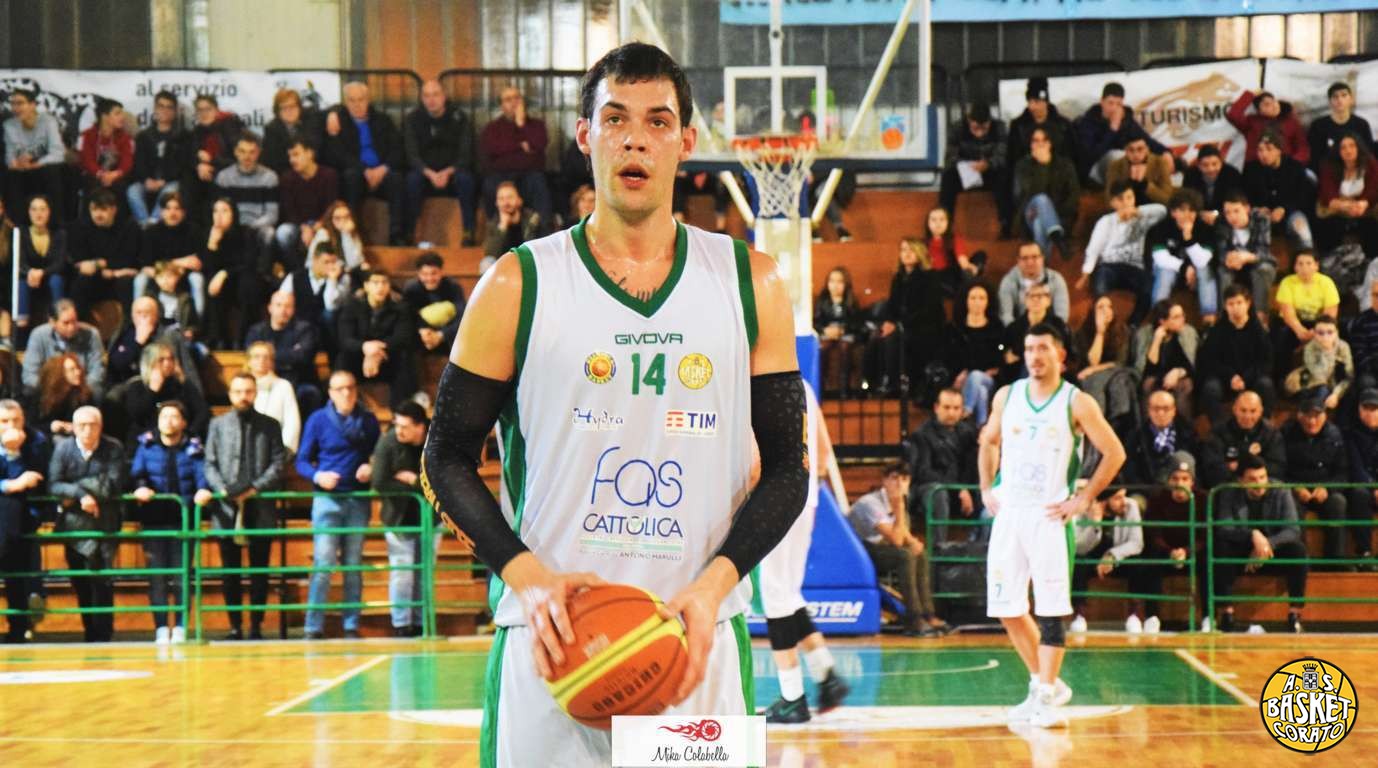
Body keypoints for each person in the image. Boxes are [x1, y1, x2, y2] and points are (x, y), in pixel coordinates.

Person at [420, 43, 808, 767]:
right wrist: (527, 579)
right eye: (616, 119)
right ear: (584, 134)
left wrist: (713, 588)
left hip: (695, 645)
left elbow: (789, 468)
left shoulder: (752, 283)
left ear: (685, 142)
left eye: (658, 121)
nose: (635, 139)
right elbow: (443, 458)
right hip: (554, 646)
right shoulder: (517, 284)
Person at [979, 322, 1126, 728]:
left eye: (1042, 348)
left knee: (1050, 610)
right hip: (1010, 513)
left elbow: (1114, 452)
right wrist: (986, 488)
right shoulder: (1007, 396)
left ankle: (1045, 695)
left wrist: (1084, 498)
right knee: (1007, 607)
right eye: (1029, 349)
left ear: (1060, 355)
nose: (1034, 356)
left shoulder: (1077, 402)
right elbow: (988, 440)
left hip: (1049, 516)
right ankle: (1046, 684)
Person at [755, 381, 850, 723]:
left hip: (777, 497)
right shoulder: (804, 386)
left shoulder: (759, 384)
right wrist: (808, 490)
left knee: (774, 596)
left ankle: (792, 697)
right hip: (805, 498)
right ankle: (827, 676)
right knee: (787, 592)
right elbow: (823, 449)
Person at [198, 371, 285, 640]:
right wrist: (223, 490)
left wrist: (255, 488)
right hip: (226, 506)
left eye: (248, 391)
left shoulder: (270, 425)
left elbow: (278, 463)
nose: (243, 397)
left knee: (259, 570)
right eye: (238, 392)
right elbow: (209, 463)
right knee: (230, 571)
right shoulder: (217, 424)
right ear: (230, 394)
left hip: (260, 504)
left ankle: (257, 625)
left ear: (255, 393)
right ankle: (235, 625)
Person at [298, 370, 379, 639]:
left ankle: (351, 625)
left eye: (350, 388)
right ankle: (313, 627)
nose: (346, 393)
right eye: (340, 389)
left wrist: (371, 467)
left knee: (353, 565)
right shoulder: (318, 420)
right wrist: (318, 476)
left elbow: (378, 453)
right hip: (327, 499)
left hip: (358, 499)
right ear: (330, 393)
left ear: (356, 390)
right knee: (323, 563)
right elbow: (301, 461)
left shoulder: (368, 420)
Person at [128, 400, 206, 644]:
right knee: (158, 577)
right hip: (154, 521)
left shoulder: (194, 447)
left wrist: (203, 489)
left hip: (184, 522)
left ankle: (181, 627)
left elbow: (201, 476)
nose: (169, 422)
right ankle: (161, 627)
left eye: (174, 417)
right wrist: (140, 488)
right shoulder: (146, 445)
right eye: (164, 417)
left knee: (183, 577)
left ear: (183, 422)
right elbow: (137, 475)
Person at [48, 406, 126, 642]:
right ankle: (89, 632)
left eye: (93, 425)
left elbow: (112, 483)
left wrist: (73, 490)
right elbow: (53, 485)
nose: (87, 430)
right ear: (73, 427)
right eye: (82, 425)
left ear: (100, 427)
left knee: (102, 581)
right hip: (73, 527)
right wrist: (81, 494)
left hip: (105, 524)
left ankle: (104, 634)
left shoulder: (114, 448)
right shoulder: (63, 449)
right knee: (80, 581)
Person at [1209, 454, 1307, 633]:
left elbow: (1292, 529)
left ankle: (1295, 614)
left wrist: (1265, 544)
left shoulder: (1280, 490)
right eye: (1252, 479)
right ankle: (1226, 614)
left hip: (1272, 551)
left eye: (1263, 477)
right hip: (1242, 550)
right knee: (1220, 547)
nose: (1259, 483)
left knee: (1298, 550)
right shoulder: (1228, 492)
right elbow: (1224, 528)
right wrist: (1252, 535)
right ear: (1241, 481)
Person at [848, 461, 945, 636]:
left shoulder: (898, 502)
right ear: (884, 481)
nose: (899, 483)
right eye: (894, 478)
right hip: (857, 554)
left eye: (904, 479)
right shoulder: (870, 503)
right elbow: (897, 540)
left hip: (878, 548)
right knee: (904, 556)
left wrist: (914, 542)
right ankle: (913, 619)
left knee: (920, 554)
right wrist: (899, 508)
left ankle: (928, 615)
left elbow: (904, 535)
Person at [371, 400, 439, 638]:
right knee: (402, 573)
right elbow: (379, 482)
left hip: (430, 519)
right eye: (396, 425)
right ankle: (401, 624)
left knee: (425, 573)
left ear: (420, 427)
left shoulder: (435, 441)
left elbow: (441, 480)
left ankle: (421, 623)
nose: (398, 430)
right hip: (398, 519)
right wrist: (418, 487)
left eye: (404, 427)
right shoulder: (388, 442)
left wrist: (413, 481)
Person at [324, 82, 408, 245]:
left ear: (368, 100)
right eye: (352, 100)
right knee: (350, 177)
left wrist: (383, 169)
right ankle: (352, 233)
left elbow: (397, 149)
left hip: (382, 172)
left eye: (361, 99)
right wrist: (364, 170)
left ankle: (396, 234)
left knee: (397, 179)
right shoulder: (339, 121)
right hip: (357, 173)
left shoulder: (383, 120)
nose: (357, 104)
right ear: (345, 102)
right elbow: (339, 154)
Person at [1078, 180, 1166, 326]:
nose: (1126, 202)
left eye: (1129, 197)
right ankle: (1103, 323)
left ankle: (1132, 326)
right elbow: (1094, 249)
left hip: (1134, 267)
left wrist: (1138, 211)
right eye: (1120, 199)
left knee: (1149, 286)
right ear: (1113, 203)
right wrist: (1086, 273)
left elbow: (1162, 211)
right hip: (1109, 266)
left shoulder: (1143, 218)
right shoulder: (1106, 221)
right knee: (1100, 283)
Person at [1283, 391, 1352, 568]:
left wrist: (1328, 488)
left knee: (1338, 502)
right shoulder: (1286, 433)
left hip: (1324, 491)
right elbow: (1279, 471)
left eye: (1317, 416)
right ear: (1299, 415)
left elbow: (1343, 473)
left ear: (1325, 415)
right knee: (1289, 505)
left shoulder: (1335, 434)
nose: (1312, 421)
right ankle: (1300, 561)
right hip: (1296, 491)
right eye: (1307, 416)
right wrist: (1295, 488)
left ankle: (1334, 561)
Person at [405, 79, 478, 244]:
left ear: (444, 96)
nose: (431, 100)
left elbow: (466, 154)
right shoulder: (413, 119)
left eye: (435, 95)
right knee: (411, 180)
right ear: (421, 98)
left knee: (466, 180)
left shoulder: (459, 118)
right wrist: (430, 173)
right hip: (425, 173)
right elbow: (411, 154)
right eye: (426, 95)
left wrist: (448, 172)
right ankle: (410, 232)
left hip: (453, 172)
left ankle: (468, 232)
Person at [0, 399, 49, 644]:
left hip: (21, 522)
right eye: (4, 421)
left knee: (17, 576)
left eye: (16, 420)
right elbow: (18, 483)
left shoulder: (36, 441)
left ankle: (19, 628)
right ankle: (35, 591)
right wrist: (10, 484)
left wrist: (15, 455)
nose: (11, 426)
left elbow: (38, 479)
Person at [905, 388, 980, 544]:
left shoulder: (968, 433)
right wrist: (958, 488)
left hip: (961, 491)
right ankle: (938, 547)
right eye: (946, 407)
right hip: (929, 488)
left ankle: (981, 545)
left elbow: (972, 467)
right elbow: (923, 472)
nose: (951, 413)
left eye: (956, 408)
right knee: (937, 492)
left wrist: (965, 488)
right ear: (936, 408)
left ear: (962, 410)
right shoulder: (922, 434)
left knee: (985, 491)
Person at [873, 238, 946, 400]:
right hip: (903, 324)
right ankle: (874, 382)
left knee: (894, 337)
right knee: (876, 335)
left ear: (919, 254)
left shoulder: (930, 277)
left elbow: (928, 310)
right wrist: (889, 322)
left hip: (924, 326)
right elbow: (892, 305)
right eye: (903, 250)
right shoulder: (898, 278)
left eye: (911, 250)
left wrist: (899, 324)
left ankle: (894, 384)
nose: (906, 253)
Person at [1067, 488, 1145, 634]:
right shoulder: (1084, 508)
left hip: (1117, 559)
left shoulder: (1130, 506)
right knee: (1079, 562)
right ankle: (1079, 615)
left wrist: (1112, 556)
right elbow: (1079, 548)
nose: (1123, 502)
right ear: (1103, 501)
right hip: (1091, 559)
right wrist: (1095, 523)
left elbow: (1137, 543)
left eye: (1123, 496)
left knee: (1137, 562)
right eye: (1117, 498)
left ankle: (1134, 616)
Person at [1141, 455, 1204, 631]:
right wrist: (1170, 552)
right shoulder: (1157, 499)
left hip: (1193, 552)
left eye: (1185, 479)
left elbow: (1204, 536)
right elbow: (1153, 534)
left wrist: (1186, 551)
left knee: (1209, 560)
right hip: (1165, 552)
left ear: (1192, 481)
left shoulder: (1203, 499)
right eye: (1175, 478)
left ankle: (1209, 617)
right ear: (1168, 480)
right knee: (1150, 560)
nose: (1179, 483)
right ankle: (1152, 617)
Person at [337, 271, 418, 407]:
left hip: (387, 358)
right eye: (375, 283)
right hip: (359, 359)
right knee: (343, 358)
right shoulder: (352, 306)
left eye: (384, 283)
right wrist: (365, 347)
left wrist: (376, 352)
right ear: (366, 286)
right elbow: (345, 339)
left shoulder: (400, 307)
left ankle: (400, 409)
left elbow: (403, 337)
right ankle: (345, 406)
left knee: (405, 357)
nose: (380, 287)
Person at [1198, 284, 1276, 425]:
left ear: (1248, 303)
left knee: (1266, 385)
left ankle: (1263, 428)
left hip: (1251, 378)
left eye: (1239, 303)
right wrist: (1231, 377)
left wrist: (1245, 378)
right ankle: (1220, 429)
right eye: (1231, 304)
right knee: (1210, 388)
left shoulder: (1258, 331)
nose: (1235, 307)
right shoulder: (1217, 331)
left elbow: (1266, 362)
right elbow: (1210, 361)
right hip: (1225, 379)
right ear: (1225, 306)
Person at [201, 197, 269, 349]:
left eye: (224, 211)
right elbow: (207, 267)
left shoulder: (246, 233)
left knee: (248, 283)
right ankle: (218, 339)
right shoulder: (209, 235)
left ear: (234, 214)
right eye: (215, 211)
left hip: (244, 280)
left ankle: (244, 339)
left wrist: (224, 273)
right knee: (210, 282)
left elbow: (249, 263)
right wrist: (212, 245)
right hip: (223, 285)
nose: (219, 216)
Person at [479, 85, 553, 223]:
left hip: (529, 174)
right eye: (508, 99)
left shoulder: (537, 125)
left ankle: (544, 229)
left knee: (539, 182)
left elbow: (539, 146)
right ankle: (496, 229)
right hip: (501, 174)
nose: (514, 102)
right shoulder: (492, 128)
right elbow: (493, 149)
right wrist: (521, 145)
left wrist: (521, 125)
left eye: (517, 98)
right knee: (489, 184)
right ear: (501, 106)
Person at [111, 341, 209, 446]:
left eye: (170, 359)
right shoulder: (137, 385)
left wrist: (188, 433)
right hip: (146, 442)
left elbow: (202, 412)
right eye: (161, 360)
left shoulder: (182, 384)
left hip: (180, 440)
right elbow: (136, 416)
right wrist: (152, 391)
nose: (167, 363)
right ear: (149, 362)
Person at [244, 290, 323, 414]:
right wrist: (289, 355)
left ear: (293, 309)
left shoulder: (305, 329)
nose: (283, 310)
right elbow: (251, 356)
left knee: (310, 393)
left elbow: (303, 357)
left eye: (288, 306)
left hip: (297, 381)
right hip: (264, 380)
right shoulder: (257, 331)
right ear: (270, 308)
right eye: (279, 305)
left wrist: (269, 357)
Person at [1073, 81, 1168, 184]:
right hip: (1094, 169)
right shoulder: (1089, 122)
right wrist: (1112, 130)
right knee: (1119, 156)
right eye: (1110, 103)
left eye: (1118, 104)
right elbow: (1089, 156)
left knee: (1151, 159)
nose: (1114, 108)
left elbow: (1146, 140)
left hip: (1123, 169)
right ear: (1102, 102)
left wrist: (1165, 152)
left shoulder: (1126, 120)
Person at [65, 189, 141, 317]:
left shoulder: (129, 227)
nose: (98, 214)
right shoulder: (81, 227)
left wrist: (101, 265)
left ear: (114, 210)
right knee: (81, 282)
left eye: (103, 209)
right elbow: (81, 262)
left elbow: (128, 259)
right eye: (94, 209)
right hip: (96, 277)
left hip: (119, 278)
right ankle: (79, 323)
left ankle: (129, 325)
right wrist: (102, 266)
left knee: (126, 282)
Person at [1147, 188, 1216, 324]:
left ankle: (1209, 321)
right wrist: (1185, 268)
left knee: (1205, 270)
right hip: (1171, 271)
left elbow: (1203, 261)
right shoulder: (1160, 228)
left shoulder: (1206, 230)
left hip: (1196, 275)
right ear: (1173, 212)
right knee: (1165, 271)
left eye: (1192, 211)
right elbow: (1160, 258)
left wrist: (1188, 239)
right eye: (1183, 210)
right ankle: (1158, 319)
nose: (1188, 215)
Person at [1272, 250, 1339, 384]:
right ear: (1295, 267)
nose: (1304, 268)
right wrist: (1300, 331)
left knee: (1333, 332)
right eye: (1300, 264)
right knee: (1281, 334)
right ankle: (1281, 379)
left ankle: (1331, 379)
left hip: (1319, 323)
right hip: (1293, 324)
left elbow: (1330, 313)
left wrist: (1316, 331)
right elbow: (1288, 313)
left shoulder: (1326, 282)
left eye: (1309, 263)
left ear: (1316, 266)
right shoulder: (1287, 282)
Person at [938, 103, 1009, 230]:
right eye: (976, 128)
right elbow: (950, 157)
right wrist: (966, 165)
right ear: (969, 121)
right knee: (948, 177)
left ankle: (1005, 223)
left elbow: (1003, 155)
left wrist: (989, 163)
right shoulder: (957, 128)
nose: (980, 133)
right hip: (965, 172)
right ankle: (945, 223)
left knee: (1004, 176)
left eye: (984, 128)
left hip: (989, 172)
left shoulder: (999, 127)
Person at [136, 192, 206, 320]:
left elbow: (197, 263)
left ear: (183, 212)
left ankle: (195, 324)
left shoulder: (194, 231)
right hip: (158, 276)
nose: (172, 213)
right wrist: (177, 263)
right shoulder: (151, 232)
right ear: (161, 212)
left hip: (185, 276)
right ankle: (138, 322)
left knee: (197, 279)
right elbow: (145, 265)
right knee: (140, 280)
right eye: (168, 208)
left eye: (177, 208)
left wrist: (168, 266)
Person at [1013, 127, 1079, 262]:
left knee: (1040, 223)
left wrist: (1051, 214)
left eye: (1044, 140)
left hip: (1060, 216)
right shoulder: (1022, 165)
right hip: (1029, 212)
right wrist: (1042, 166)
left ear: (1050, 144)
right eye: (1035, 141)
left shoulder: (1065, 165)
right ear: (1030, 144)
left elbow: (1073, 194)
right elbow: (1022, 195)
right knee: (1041, 199)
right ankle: (1059, 240)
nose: (1040, 144)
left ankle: (1043, 266)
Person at [1243, 130, 1315, 249]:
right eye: (1260, 150)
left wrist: (1284, 209)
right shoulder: (1251, 170)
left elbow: (1303, 197)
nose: (1264, 154)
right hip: (1261, 215)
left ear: (1279, 150)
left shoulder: (1294, 168)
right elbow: (1245, 197)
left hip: (1290, 212)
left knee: (1301, 227)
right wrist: (1258, 208)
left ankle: (1307, 257)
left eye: (1269, 149)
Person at [1200, 390, 1287, 488]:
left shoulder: (1271, 433)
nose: (1247, 416)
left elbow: (1277, 468)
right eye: (1243, 410)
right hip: (1230, 488)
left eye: (1253, 411)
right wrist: (1241, 480)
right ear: (1234, 409)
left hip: (1263, 488)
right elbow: (1213, 468)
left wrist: (1239, 468)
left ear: (1260, 411)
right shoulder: (1219, 432)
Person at [3, 88, 65, 225]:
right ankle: (18, 226)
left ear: (32, 105)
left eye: (20, 103)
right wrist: (15, 163)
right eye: (13, 104)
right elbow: (9, 156)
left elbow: (58, 153)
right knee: (11, 176)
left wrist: (39, 163)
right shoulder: (9, 125)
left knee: (53, 172)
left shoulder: (48, 122)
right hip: (22, 170)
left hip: (43, 168)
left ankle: (54, 225)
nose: (15, 108)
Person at [21, 299, 106, 400]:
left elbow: (97, 370)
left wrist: (82, 387)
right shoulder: (38, 335)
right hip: (49, 390)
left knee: (97, 391)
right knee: (29, 391)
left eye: (74, 321)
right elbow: (30, 374)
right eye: (66, 323)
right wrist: (52, 389)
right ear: (52, 322)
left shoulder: (91, 334)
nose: (71, 327)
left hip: (82, 388)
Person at [946, 282, 1004, 424]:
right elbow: (949, 357)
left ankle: (965, 411)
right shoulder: (955, 328)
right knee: (981, 392)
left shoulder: (997, 327)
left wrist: (992, 370)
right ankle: (980, 428)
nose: (977, 302)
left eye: (981, 298)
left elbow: (1000, 358)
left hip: (988, 379)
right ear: (966, 301)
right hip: (962, 380)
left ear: (988, 301)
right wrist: (959, 373)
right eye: (973, 298)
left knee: (977, 376)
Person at [1315, 132, 1378, 260]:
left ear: (1358, 148)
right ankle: (1330, 262)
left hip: (1365, 208)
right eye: (1343, 147)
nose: (1348, 151)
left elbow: (1374, 187)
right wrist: (1344, 206)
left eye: (1352, 146)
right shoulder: (1328, 166)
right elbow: (1326, 192)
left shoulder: (1370, 163)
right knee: (1328, 226)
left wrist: (1363, 203)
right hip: (1338, 207)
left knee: (1371, 227)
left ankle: (1372, 262)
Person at [1214, 190, 1275, 321]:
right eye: (1227, 212)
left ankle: (1261, 317)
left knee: (1264, 269)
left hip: (1255, 261)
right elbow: (1221, 250)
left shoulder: (1261, 219)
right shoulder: (1221, 222)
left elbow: (1264, 250)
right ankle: (1225, 318)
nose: (1232, 217)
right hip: (1233, 264)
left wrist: (1247, 257)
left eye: (1236, 211)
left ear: (1247, 208)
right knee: (1223, 272)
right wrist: (1228, 259)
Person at [276, 139, 338, 267]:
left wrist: (317, 225)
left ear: (310, 153)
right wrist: (305, 228)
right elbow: (289, 211)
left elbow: (331, 206)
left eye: (296, 154)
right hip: (299, 225)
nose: (292, 160)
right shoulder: (287, 178)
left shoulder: (329, 175)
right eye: (290, 156)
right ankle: (295, 270)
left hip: (324, 222)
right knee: (283, 232)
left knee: (324, 234)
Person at [1132, 300, 1198, 420]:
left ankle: (1184, 429)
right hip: (1155, 378)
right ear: (1163, 321)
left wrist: (1177, 372)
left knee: (1186, 385)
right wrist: (1156, 340)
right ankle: (1148, 428)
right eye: (1176, 317)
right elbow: (1145, 369)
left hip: (1179, 378)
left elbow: (1191, 366)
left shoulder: (1187, 333)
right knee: (1148, 384)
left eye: (1182, 315)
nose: (1182, 319)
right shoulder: (1145, 334)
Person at [1005, 77, 1078, 185]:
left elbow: (1072, 157)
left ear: (1045, 102)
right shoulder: (1018, 126)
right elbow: (1012, 160)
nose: (1032, 106)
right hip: (1027, 181)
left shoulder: (1063, 126)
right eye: (1029, 101)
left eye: (1036, 102)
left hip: (1058, 181)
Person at [1070, 295, 1132, 420]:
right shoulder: (1082, 333)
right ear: (1093, 312)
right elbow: (1092, 362)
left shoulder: (1123, 331)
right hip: (1089, 375)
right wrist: (1100, 333)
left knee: (1114, 381)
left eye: (1109, 306)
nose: (1106, 310)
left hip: (1115, 372)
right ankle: (1096, 420)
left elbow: (1119, 362)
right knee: (1093, 380)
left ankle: (1116, 422)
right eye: (1100, 307)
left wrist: (1093, 369)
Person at [186, 94, 244, 225]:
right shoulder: (196, 132)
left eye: (208, 109)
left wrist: (212, 160)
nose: (204, 113)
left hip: (226, 170)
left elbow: (238, 159)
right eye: (200, 110)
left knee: (216, 180)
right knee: (189, 179)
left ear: (216, 110)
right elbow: (190, 155)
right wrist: (199, 165)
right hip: (205, 174)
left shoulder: (230, 128)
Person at [1121, 390, 1199, 487]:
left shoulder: (1187, 434)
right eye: (1156, 408)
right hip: (1145, 489)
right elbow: (1129, 469)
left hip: (1180, 488)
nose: (1161, 413)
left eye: (1166, 409)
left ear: (1174, 410)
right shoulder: (1136, 436)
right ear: (1149, 410)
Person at [214, 132, 279, 248]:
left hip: (258, 226)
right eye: (242, 151)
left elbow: (272, 215)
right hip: (232, 226)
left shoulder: (270, 177)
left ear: (258, 153)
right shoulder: (224, 177)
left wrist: (251, 227)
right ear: (235, 152)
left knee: (269, 233)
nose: (247, 157)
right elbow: (220, 210)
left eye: (252, 152)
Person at [15, 194, 67, 332]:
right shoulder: (21, 232)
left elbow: (60, 263)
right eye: (34, 209)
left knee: (57, 280)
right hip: (28, 276)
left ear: (49, 211)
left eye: (43, 209)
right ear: (28, 212)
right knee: (20, 282)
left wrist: (42, 272)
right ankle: (21, 327)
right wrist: (30, 271)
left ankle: (59, 320)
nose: (38, 214)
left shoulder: (59, 234)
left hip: (50, 275)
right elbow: (18, 261)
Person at [1001, 283, 1070, 385]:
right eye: (1031, 296)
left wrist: (1062, 363)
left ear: (1048, 300)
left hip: (1053, 369)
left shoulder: (1058, 325)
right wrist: (1005, 354)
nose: (1035, 299)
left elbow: (1070, 351)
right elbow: (1002, 347)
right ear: (1025, 300)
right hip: (1019, 371)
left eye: (1040, 296)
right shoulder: (1014, 327)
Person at [402, 251, 465, 359]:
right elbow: (407, 315)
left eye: (434, 273)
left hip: (447, 334)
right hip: (422, 335)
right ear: (418, 274)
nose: (430, 278)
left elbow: (462, 316)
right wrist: (422, 330)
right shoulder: (411, 289)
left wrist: (441, 335)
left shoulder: (453, 286)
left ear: (441, 272)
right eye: (425, 274)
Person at [1284, 316, 1352, 411]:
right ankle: (1313, 414)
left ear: (1337, 333)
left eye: (1330, 332)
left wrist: (1336, 395)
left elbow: (1349, 377)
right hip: (1315, 384)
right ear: (1315, 334)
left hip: (1338, 385)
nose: (1325, 337)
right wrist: (1327, 351)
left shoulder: (1343, 347)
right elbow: (1321, 376)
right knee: (1322, 390)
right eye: (1320, 333)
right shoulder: (1310, 347)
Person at [245, 340, 302, 454]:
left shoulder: (283, 386)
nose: (261, 360)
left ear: (272, 362)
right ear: (249, 361)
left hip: (276, 449)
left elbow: (292, 422)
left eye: (266, 357)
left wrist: (285, 451)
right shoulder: (242, 385)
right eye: (257, 356)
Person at [1227, 89, 1309, 167]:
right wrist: (1250, 94)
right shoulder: (1252, 122)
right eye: (1267, 104)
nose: (1273, 106)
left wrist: (1292, 163)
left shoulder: (1291, 122)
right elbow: (1233, 114)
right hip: (1256, 166)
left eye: (1274, 102)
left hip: (1284, 167)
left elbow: (1302, 148)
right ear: (1259, 111)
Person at [1344, 389, 1378, 568]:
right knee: (1359, 494)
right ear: (1359, 409)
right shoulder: (1350, 434)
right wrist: (1374, 488)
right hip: (1363, 486)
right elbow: (1356, 468)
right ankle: (1364, 552)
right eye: (1366, 408)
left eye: (1374, 408)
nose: (1370, 413)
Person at [1308, 81, 1374, 174]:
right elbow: (1315, 156)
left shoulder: (1361, 125)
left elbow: (1368, 153)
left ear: (1351, 99)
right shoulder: (1318, 126)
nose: (1339, 100)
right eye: (1335, 96)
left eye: (1344, 95)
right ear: (1330, 101)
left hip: (1357, 172)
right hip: (1329, 174)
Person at [998, 241, 1070, 325]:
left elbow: (1062, 316)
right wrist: (1016, 331)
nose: (1030, 262)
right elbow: (1006, 316)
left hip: (1050, 329)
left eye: (1035, 257)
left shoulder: (1056, 280)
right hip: (1018, 329)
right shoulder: (1008, 282)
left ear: (1042, 258)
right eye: (1025, 258)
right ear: (1018, 261)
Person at [78, 98, 133, 199]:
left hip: (116, 176)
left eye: (122, 113)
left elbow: (127, 161)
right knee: (93, 184)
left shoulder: (125, 137)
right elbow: (87, 160)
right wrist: (101, 174)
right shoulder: (87, 135)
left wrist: (115, 174)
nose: (122, 117)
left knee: (121, 186)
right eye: (117, 113)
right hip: (94, 175)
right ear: (104, 116)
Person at [261, 88, 325, 175]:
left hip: (314, 169)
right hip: (287, 173)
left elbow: (316, 147)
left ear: (299, 107)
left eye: (292, 106)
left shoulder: (311, 117)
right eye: (284, 108)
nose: (289, 111)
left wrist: (333, 115)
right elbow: (272, 162)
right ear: (277, 112)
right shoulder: (271, 129)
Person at [35, 353, 96, 439]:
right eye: (72, 370)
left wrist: (76, 426)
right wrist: (51, 426)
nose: (78, 372)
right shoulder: (42, 395)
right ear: (59, 373)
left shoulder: (84, 394)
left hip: (79, 437)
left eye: (78, 368)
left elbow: (93, 420)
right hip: (50, 437)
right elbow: (32, 424)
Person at [923, 206, 980, 296]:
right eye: (933, 220)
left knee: (979, 257)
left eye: (942, 219)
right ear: (928, 223)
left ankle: (969, 289)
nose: (938, 223)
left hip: (951, 275)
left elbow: (961, 257)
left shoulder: (954, 239)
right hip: (934, 278)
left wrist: (967, 266)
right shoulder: (923, 243)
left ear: (948, 222)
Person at [1182, 145, 1243, 226]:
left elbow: (1236, 200)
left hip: (1225, 217)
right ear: (1199, 165)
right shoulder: (1190, 175)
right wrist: (1200, 213)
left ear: (1221, 163)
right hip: (1197, 218)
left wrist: (1217, 214)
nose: (1211, 169)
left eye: (1214, 164)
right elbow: (1186, 199)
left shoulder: (1232, 174)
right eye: (1205, 165)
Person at [1105, 136, 1174, 207]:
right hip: (1127, 208)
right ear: (1125, 150)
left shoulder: (1159, 162)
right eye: (1131, 150)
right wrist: (1129, 182)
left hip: (1154, 207)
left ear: (1147, 149)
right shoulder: (1116, 166)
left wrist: (1145, 184)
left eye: (1140, 149)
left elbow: (1167, 199)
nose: (1136, 154)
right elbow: (1110, 199)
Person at [482, 180, 545, 258]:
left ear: (519, 200)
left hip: (528, 261)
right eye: (501, 199)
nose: (506, 203)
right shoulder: (493, 224)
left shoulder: (533, 219)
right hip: (505, 263)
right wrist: (502, 226)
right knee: (487, 261)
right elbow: (491, 254)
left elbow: (539, 250)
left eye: (510, 197)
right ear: (496, 203)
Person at [308, 200, 368, 275]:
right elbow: (313, 261)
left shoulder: (351, 233)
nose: (343, 221)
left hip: (347, 273)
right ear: (331, 219)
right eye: (337, 218)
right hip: (328, 273)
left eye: (346, 217)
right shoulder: (324, 233)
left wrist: (346, 234)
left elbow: (355, 262)